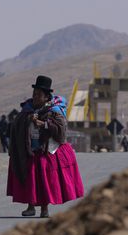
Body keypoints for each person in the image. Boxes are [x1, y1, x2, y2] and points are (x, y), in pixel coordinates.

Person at [6, 75, 84, 217]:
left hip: (47, 151)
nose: (35, 97)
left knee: (45, 181)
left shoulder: (55, 111)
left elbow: (61, 130)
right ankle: (30, 207)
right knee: (30, 179)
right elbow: (16, 127)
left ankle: (44, 209)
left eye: (39, 95)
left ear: (47, 97)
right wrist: (28, 121)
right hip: (30, 150)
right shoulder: (27, 111)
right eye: (34, 94)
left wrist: (45, 124)